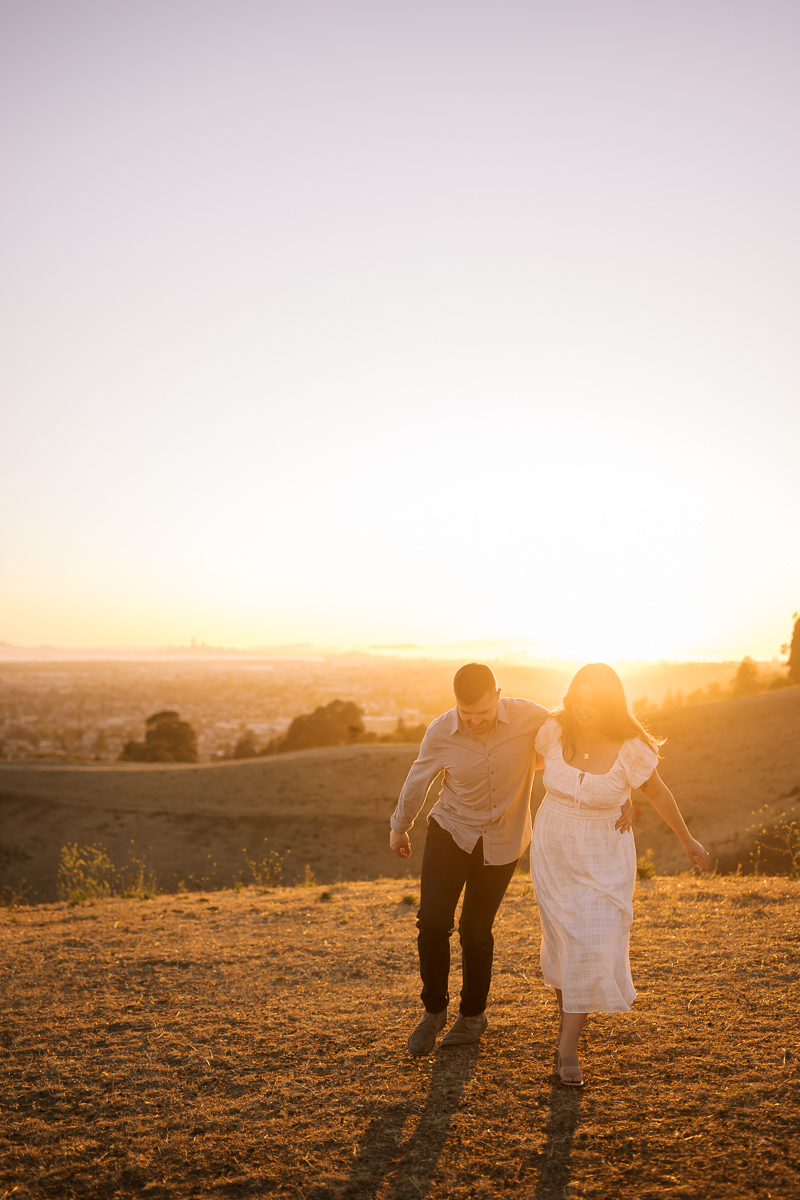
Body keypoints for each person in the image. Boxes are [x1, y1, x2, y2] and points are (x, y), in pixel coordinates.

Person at [389, 662, 630, 1056]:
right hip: (451, 830)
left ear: (498, 696)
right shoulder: (441, 732)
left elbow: (584, 735)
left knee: (475, 930)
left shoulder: (530, 717)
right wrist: (401, 826)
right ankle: (433, 1011)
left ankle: (472, 1016)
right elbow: (419, 779)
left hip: (502, 840)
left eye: (483, 714)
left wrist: (623, 788)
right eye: (468, 715)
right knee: (432, 921)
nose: (476, 722)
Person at [530, 662, 709, 1087]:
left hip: (604, 852)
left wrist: (686, 839)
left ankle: (567, 1047)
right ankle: (568, 1023)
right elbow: (526, 765)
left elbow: (659, 791)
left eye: (594, 702)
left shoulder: (631, 748)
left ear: (610, 704)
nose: (584, 709)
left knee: (593, 939)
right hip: (553, 848)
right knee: (562, 939)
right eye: (578, 700)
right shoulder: (553, 731)